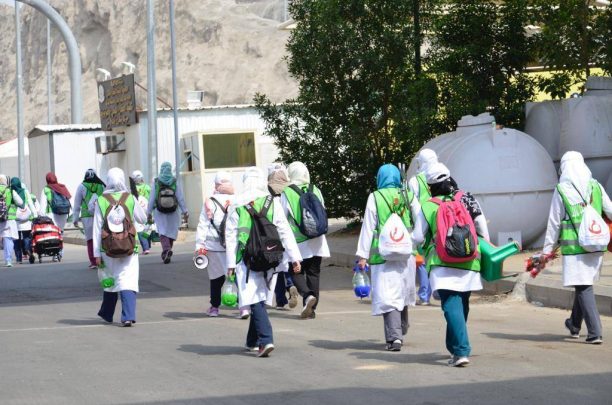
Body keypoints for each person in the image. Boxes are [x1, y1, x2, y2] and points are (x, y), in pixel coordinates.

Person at [225, 167, 302, 357]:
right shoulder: (272, 202)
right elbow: (284, 231)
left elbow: (231, 237)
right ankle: (252, 341)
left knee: (254, 299)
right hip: (271, 258)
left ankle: (266, 340)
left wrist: (230, 264)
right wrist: (295, 257)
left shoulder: (237, 204)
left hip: (247, 259)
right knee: (258, 297)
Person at [537, 151, 612, 345]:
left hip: (575, 248)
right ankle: (574, 325)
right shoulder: (595, 185)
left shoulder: (562, 190)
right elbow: (610, 210)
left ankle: (595, 332)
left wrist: (547, 251)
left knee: (583, 286)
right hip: (596, 244)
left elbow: (554, 223)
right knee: (583, 283)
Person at [421, 162, 490, 367]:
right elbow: (481, 224)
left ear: (430, 186)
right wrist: (483, 247)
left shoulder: (428, 205)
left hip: (442, 261)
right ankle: (454, 347)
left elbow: (417, 236)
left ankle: (460, 351)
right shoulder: (466, 197)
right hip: (469, 258)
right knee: (461, 305)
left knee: (451, 305)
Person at [356, 164, 426, 351]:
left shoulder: (375, 197)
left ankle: (394, 338)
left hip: (383, 255)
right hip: (406, 254)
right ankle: (401, 327)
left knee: (388, 296)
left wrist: (362, 255)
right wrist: (416, 241)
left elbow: (368, 226)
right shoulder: (407, 195)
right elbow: (420, 219)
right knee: (402, 291)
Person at [93, 168, 147, 326]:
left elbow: (97, 228)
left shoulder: (101, 200)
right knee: (128, 280)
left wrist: (96, 254)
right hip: (129, 247)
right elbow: (142, 219)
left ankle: (107, 313)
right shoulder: (130, 198)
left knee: (110, 279)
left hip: (107, 248)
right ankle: (128, 316)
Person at [281, 162, 330, 319]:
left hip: (297, 240)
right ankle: (311, 310)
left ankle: (308, 296)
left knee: (295, 270)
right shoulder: (315, 189)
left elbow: (282, 218)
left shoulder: (287, 192)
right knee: (313, 273)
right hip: (317, 238)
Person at [195, 171, 236, 317]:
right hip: (234, 246)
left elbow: (203, 224)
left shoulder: (210, 201)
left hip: (213, 247)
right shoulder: (238, 200)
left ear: (217, 184)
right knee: (236, 276)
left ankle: (214, 308)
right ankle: (244, 307)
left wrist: (200, 245)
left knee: (216, 278)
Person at [408, 149, 438, 305]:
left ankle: (425, 295)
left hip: (421, 223)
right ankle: (433, 291)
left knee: (420, 260)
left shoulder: (415, 181)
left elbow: (412, 205)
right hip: (438, 223)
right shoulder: (440, 176)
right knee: (435, 258)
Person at [267, 163, 299, 311]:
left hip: (272, 235)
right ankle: (291, 284)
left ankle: (280, 301)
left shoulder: (267, 191)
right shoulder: (289, 190)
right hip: (288, 233)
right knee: (288, 263)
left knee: (276, 267)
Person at [147, 162, 188, 264]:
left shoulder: (156, 182)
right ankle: (167, 250)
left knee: (162, 231)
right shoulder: (174, 182)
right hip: (173, 211)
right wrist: (185, 211)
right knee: (171, 232)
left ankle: (166, 250)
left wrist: (148, 212)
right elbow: (180, 198)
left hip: (159, 211)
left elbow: (151, 199)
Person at [73, 169, 106, 269]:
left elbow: (77, 204)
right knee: (101, 237)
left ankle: (93, 261)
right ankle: (103, 259)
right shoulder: (101, 185)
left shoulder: (81, 186)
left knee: (90, 239)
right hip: (100, 215)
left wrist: (75, 219)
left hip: (86, 216)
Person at [11, 179, 37, 264]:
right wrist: (35, 215)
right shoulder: (25, 192)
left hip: (16, 219)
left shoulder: (11, 192)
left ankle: (19, 258)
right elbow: (30, 203)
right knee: (26, 238)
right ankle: (28, 250)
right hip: (26, 219)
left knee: (16, 240)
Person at [0, 175, 24, 267]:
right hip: (9, 218)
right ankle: (8, 260)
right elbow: (20, 202)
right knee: (8, 239)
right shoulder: (10, 190)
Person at [132, 170, 152, 254]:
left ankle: (146, 247)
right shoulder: (147, 187)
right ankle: (148, 245)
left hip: (138, 210)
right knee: (148, 227)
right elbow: (151, 198)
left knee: (139, 228)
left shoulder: (133, 188)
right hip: (147, 209)